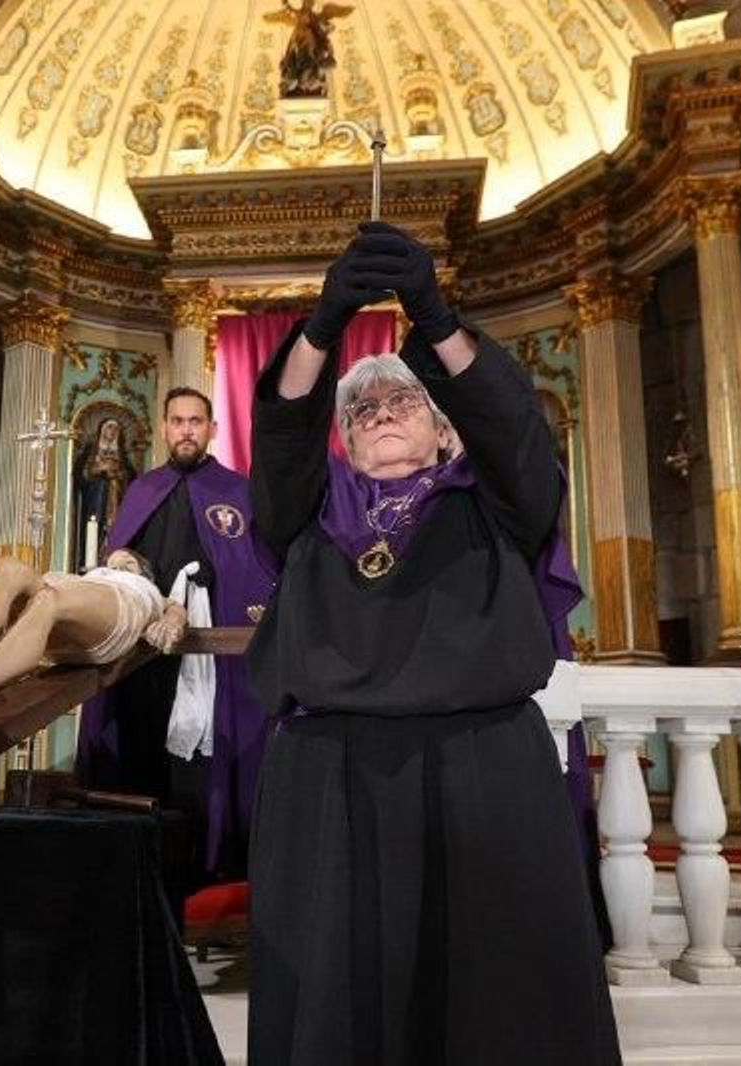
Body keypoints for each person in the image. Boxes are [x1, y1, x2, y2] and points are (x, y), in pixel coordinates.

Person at [245, 221, 619, 1063]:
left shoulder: (494, 505)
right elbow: (283, 433)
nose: (379, 412)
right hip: (332, 775)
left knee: (497, 999)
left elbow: (515, 431)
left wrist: (434, 315)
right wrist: (323, 325)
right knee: (343, 996)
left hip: (483, 768)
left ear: (446, 428)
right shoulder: (306, 517)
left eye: (401, 400)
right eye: (362, 408)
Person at [75, 386, 279, 886]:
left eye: (196, 421)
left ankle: (205, 873)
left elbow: (256, 570)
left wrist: (208, 586)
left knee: (204, 765)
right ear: (164, 428)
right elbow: (122, 562)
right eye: (177, 421)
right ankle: (139, 875)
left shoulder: (238, 491)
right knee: (142, 753)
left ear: (212, 429)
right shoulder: (143, 489)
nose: (186, 429)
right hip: (147, 661)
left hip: (209, 660)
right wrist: (121, 561)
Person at [0, 549, 186, 721]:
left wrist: (170, 623)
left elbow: (177, 612)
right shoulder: (88, 578)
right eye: (111, 564)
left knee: (48, 600)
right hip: (60, 620)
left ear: (144, 574)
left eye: (127, 563)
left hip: (117, 612)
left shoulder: (148, 591)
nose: (115, 565)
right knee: (9, 566)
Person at [72, 416, 137, 571]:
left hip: (117, 500)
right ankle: (92, 561)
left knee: (115, 528)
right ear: (101, 430)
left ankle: (113, 561)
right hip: (95, 500)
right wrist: (97, 471)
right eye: (109, 427)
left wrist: (119, 475)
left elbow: (133, 478)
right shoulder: (91, 451)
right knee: (95, 527)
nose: (112, 431)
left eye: (115, 428)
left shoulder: (121, 454)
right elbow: (78, 474)